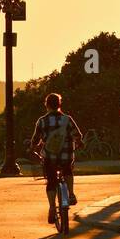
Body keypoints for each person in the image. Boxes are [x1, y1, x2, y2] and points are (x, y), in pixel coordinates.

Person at [30, 93, 82, 227]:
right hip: (66, 155)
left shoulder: (42, 121)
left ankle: (52, 207)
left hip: (50, 157)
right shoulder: (67, 119)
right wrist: (79, 143)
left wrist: (33, 147)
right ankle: (70, 194)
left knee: (51, 181)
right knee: (68, 170)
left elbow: (35, 139)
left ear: (46, 105)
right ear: (60, 104)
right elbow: (77, 135)